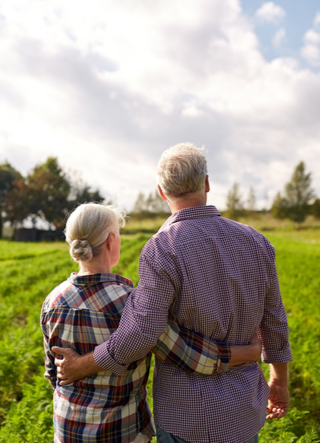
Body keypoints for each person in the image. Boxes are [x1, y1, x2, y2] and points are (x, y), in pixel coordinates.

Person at [54, 143, 292, 443]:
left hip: (187, 415)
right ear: (206, 183)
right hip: (245, 408)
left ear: (161, 192)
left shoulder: (162, 248)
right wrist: (279, 382)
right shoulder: (256, 241)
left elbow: (141, 334)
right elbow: (274, 322)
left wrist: (79, 366)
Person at [42, 202, 261, 443]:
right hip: (120, 431)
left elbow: (54, 373)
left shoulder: (52, 300)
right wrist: (246, 353)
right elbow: (189, 354)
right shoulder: (131, 303)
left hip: (66, 430)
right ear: (111, 241)